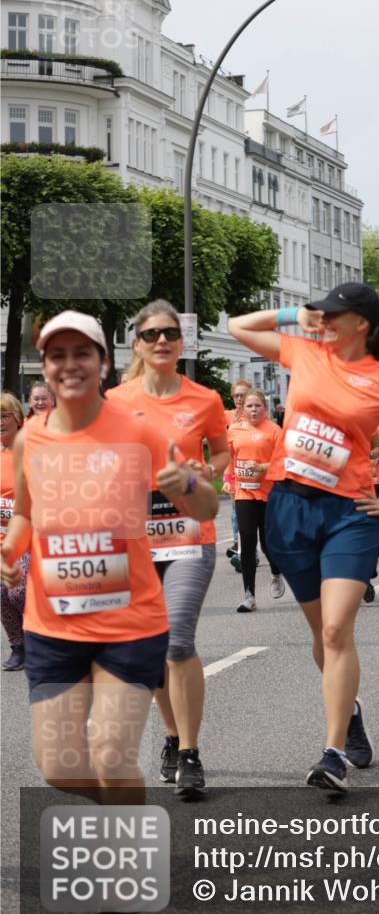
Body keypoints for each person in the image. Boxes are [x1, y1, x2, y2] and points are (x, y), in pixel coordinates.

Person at [230, 282, 379, 791]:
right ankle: (349, 715)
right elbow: (238, 326)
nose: (321, 318)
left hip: (349, 512)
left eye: (332, 313)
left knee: (335, 631)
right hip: (289, 508)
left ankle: (331, 756)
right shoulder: (304, 351)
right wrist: (292, 314)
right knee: (319, 636)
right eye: (320, 311)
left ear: (361, 325)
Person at [0, 311, 218, 803]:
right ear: (45, 367)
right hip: (54, 626)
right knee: (57, 766)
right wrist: (9, 550)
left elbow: (204, 506)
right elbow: (26, 517)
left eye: (82, 354)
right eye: (58, 355)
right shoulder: (30, 437)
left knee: (111, 753)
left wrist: (183, 482)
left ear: (103, 363)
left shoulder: (139, 431)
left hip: (129, 623)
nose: (70, 364)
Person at [107, 299, 229, 797]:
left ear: (182, 343)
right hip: (134, 539)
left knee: (178, 640)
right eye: (152, 333)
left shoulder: (205, 399)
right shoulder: (115, 400)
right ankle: (173, 735)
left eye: (171, 334)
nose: (162, 341)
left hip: (187, 535)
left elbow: (220, 450)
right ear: (137, 342)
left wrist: (208, 471)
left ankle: (191, 754)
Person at [227, 388, 284, 611]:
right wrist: (229, 482)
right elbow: (231, 459)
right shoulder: (234, 430)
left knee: (268, 544)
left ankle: (276, 572)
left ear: (265, 408)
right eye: (249, 406)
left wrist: (262, 467)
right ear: (243, 408)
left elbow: (283, 463)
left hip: (270, 494)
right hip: (244, 492)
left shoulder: (274, 431)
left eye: (257, 406)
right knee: (247, 543)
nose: (253, 409)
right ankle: (249, 596)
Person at [1, 392, 29, 671]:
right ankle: (18, 646)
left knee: (17, 593)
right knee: (1, 595)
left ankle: (37, 637)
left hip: (25, 537)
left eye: (4, 416)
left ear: (18, 419)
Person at [224, 379, 252, 558]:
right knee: (236, 511)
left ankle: (247, 547)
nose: (239, 399)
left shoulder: (254, 415)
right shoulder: (227, 416)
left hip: (250, 469)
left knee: (248, 512)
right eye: (236, 395)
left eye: (242, 395)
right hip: (232, 469)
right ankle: (238, 544)